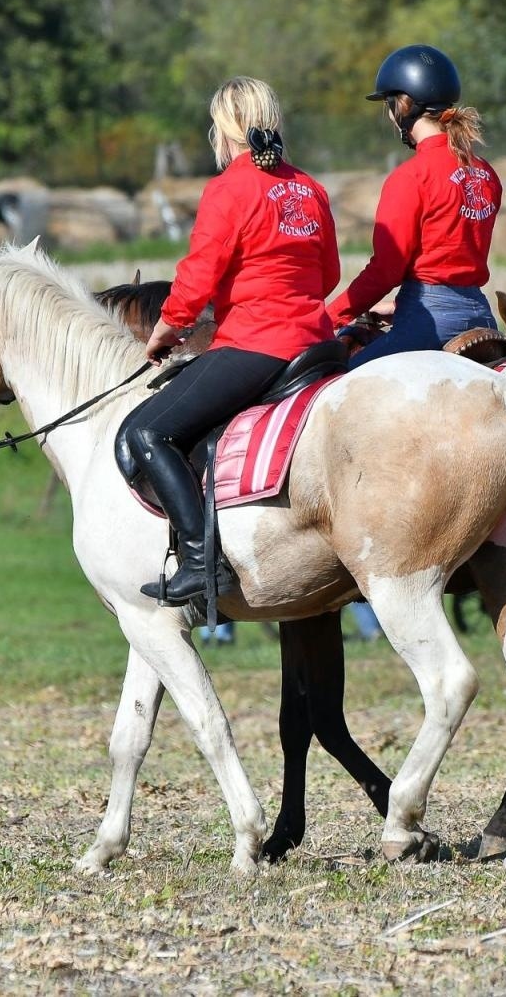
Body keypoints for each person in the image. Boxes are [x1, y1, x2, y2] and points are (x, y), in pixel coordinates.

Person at [117, 76, 341, 606]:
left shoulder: (228, 189)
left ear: (225, 130)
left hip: (258, 345)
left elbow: (196, 278)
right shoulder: (309, 188)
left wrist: (168, 328)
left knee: (148, 432)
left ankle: (202, 562)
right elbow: (328, 274)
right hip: (318, 343)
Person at [324, 44, 504, 367]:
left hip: (432, 324)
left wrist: (330, 316)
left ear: (403, 106)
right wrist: (401, 305)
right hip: (481, 316)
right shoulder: (486, 173)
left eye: (390, 106)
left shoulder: (411, 177)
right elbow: (452, 261)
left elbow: (385, 270)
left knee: (339, 379)